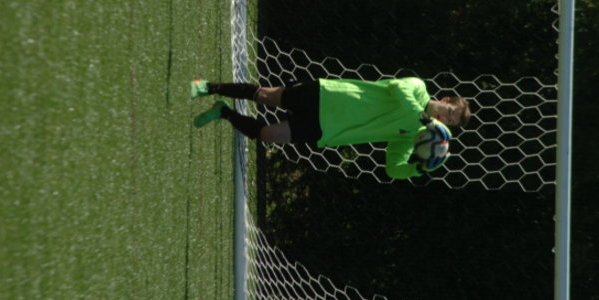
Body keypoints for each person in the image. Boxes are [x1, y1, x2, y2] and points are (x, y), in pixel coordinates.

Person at [190, 77, 471, 179]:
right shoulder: (418, 88)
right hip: (330, 95)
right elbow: (399, 88)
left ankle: (223, 112)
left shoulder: (413, 135)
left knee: (268, 134)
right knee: (266, 96)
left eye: (450, 122)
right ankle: (208, 87)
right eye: (449, 112)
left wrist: (419, 168)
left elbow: (393, 169)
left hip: (329, 130)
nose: (445, 118)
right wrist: (422, 118)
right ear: (445, 100)